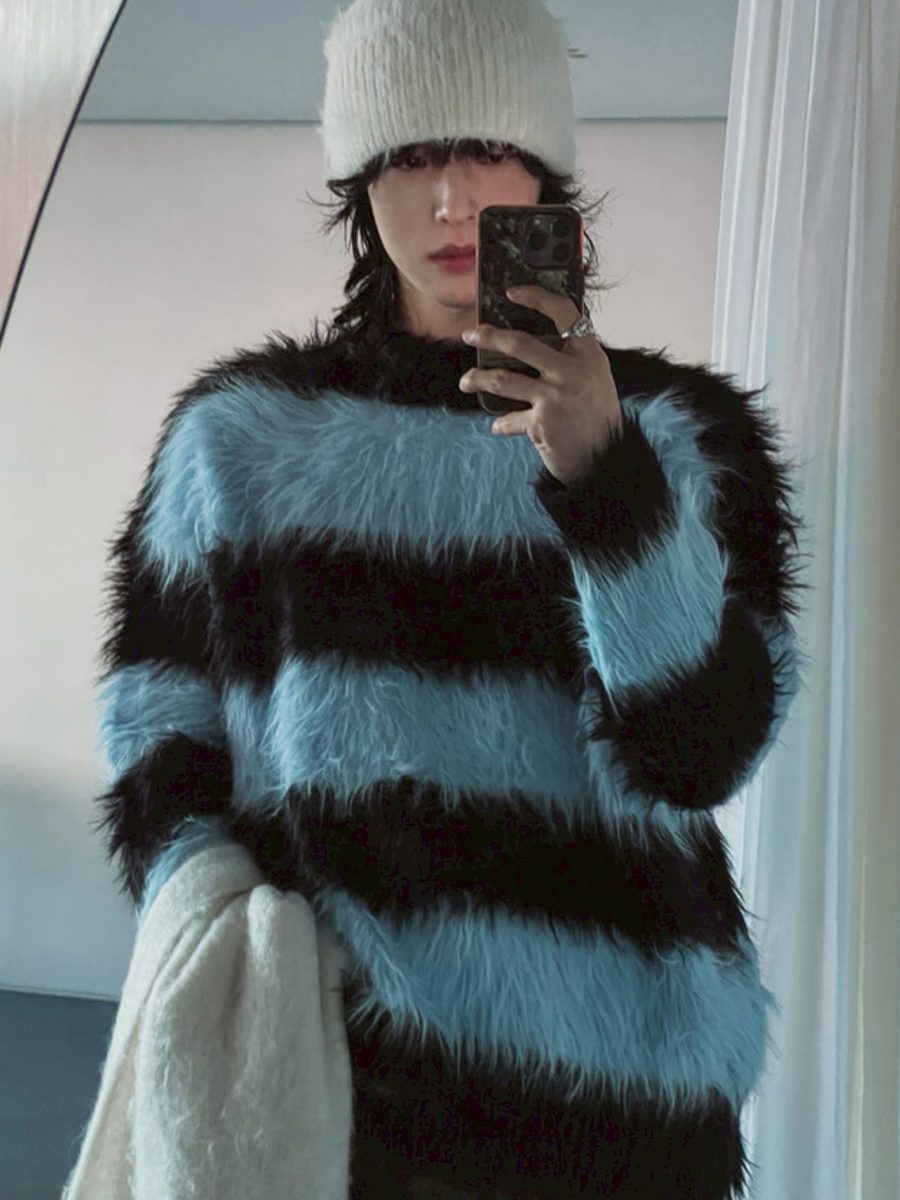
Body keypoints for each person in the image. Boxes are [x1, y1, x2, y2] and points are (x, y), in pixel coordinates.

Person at [92, 1, 810, 1197]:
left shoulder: (684, 434)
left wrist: (606, 478)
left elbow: (698, 755)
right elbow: (158, 730)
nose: (449, 199)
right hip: (342, 1083)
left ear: (545, 174)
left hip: (626, 1095)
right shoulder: (240, 439)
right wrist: (234, 941)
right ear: (358, 182)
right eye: (409, 155)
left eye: (486, 148)